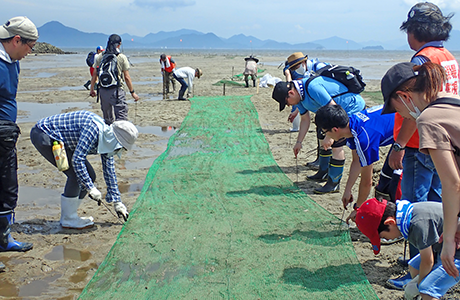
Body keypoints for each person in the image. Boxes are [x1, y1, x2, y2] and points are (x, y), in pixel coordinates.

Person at [385, 1, 459, 288]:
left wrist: (399, 144)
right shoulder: (448, 56)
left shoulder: (421, 60)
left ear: (414, 32)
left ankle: (419, 270)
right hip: (446, 143)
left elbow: (417, 107)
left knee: (417, 209)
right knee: (439, 203)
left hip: (421, 143)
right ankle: (441, 260)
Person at [30, 110, 137, 229]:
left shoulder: (108, 138)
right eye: (121, 147)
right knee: (76, 176)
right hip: (45, 134)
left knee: (90, 175)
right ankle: (68, 218)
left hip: (63, 141)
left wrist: (117, 202)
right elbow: (77, 160)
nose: (120, 150)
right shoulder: (93, 130)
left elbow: (109, 170)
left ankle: (71, 215)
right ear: (115, 139)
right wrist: (91, 188)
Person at [271, 75, 365, 194]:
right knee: (321, 136)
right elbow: (305, 120)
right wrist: (298, 143)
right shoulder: (299, 97)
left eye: (286, 102)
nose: (289, 106)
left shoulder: (312, 88)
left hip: (350, 108)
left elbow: (334, 108)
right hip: (331, 113)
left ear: (291, 93)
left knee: (336, 145)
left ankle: (334, 183)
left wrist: (330, 136)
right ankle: (323, 172)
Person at [356, 197, 459, 300]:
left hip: (456, 251)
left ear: (390, 223)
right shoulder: (407, 214)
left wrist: (418, 287)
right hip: (444, 246)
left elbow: (428, 261)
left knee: (427, 291)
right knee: (414, 266)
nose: (387, 239)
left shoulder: (416, 225)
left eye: (383, 237)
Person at [315, 104, 401, 223]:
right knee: (385, 183)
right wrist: (348, 190)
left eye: (325, 132)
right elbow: (357, 161)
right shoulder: (350, 125)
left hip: (411, 130)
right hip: (400, 127)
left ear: (335, 129)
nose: (326, 136)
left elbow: (367, 181)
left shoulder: (364, 139)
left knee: (391, 184)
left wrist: (358, 208)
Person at [0, 16, 38, 259]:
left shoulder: (13, 62)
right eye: (29, 47)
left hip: (6, 134)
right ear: (16, 40)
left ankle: (4, 239)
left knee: (8, 188)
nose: (29, 52)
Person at [283, 52, 329, 167]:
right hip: (320, 107)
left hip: (328, 104)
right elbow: (303, 96)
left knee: (326, 135)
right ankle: (320, 160)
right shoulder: (306, 73)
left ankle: (324, 164)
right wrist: (296, 111)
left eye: (296, 67)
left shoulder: (319, 67)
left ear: (303, 62)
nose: (295, 70)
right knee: (320, 132)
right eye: (293, 69)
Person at [89, 34, 139, 125]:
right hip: (117, 91)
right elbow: (127, 77)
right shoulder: (121, 57)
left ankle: (109, 137)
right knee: (121, 119)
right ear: (119, 45)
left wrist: (92, 89)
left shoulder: (100, 56)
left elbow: (94, 74)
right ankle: (120, 138)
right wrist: (132, 92)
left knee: (107, 120)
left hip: (103, 91)